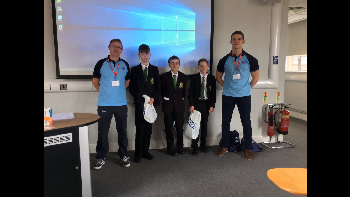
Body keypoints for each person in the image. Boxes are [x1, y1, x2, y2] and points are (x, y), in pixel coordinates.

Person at [216, 31, 259, 160]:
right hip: (228, 95)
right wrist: (229, 87)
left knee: (246, 122)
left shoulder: (251, 59)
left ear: (243, 41)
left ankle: (247, 148)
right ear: (230, 42)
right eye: (234, 39)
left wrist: (245, 88)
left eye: (239, 39)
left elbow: (255, 78)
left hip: (244, 96)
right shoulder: (224, 60)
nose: (236, 41)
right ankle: (224, 146)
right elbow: (218, 77)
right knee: (225, 122)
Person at [92, 39, 131, 169]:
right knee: (103, 132)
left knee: (122, 131)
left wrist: (117, 92)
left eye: (119, 47)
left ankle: (123, 155)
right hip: (104, 104)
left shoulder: (125, 64)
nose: (116, 49)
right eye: (114, 46)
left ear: (121, 50)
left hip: (121, 104)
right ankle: (101, 157)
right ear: (109, 47)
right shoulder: (101, 63)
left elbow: (127, 82)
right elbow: (95, 81)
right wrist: (105, 92)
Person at [129, 44, 161, 163]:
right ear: (139, 55)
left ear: (150, 55)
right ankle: (137, 153)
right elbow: (131, 88)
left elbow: (158, 87)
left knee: (148, 129)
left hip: (151, 105)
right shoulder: (135, 70)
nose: (145, 56)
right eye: (143, 54)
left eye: (147, 54)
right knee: (140, 129)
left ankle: (145, 151)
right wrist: (140, 98)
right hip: (140, 105)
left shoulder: (154, 69)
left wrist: (153, 98)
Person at [188, 58, 216, 155]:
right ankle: (194, 147)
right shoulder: (195, 78)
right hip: (196, 104)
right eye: (201, 66)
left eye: (205, 65)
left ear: (208, 66)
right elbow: (190, 92)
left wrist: (212, 105)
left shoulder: (212, 78)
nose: (203, 67)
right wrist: (191, 104)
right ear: (198, 67)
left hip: (206, 103)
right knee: (195, 125)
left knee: (204, 125)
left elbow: (213, 94)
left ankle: (203, 146)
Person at [161, 55, 187, 156]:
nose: (174, 65)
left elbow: (183, 92)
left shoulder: (183, 77)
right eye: (172, 63)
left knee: (180, 128)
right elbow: (163, 91)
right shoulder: (164, 76)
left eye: (176, 63)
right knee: (169, 128)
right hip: (168, 106)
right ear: (169, 65)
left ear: (179, 65)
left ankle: (180, 146)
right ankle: (170, 147)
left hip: (179, 106)